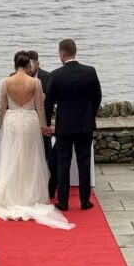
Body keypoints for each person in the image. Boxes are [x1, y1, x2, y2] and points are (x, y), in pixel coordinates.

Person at [0, 51, 72, 228]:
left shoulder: (6, 82)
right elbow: (40, 106)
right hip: (30, 122)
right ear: (29, 66)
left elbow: (2, 107)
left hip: (12, 121)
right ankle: (30, 196)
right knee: (31, 159)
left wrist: (2, 124)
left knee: (11, 158)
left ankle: (11, 195)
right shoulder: (36, 82)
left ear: (15, 65)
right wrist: (44, 126)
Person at [45, 39, 102, 213]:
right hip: (85, 125)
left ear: (62, 54)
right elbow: (97, 97)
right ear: (75, 52)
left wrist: (47, 123)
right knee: (84, 163)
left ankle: (63, 201)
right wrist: (89, 115)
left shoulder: (56, 75)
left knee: (64, 163)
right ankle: (85, 201)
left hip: (64, 127)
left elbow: (48, 103)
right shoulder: (90, 72)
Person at [26, 50, 57, 199]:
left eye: (33, 63)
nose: (31, 67)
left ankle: (48, 185)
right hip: (26, 121)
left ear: (38, 62)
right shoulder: (18, 77)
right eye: (29, 64)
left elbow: (54, 100)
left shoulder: (48, 77)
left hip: (43, 121)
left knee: (47, 153)